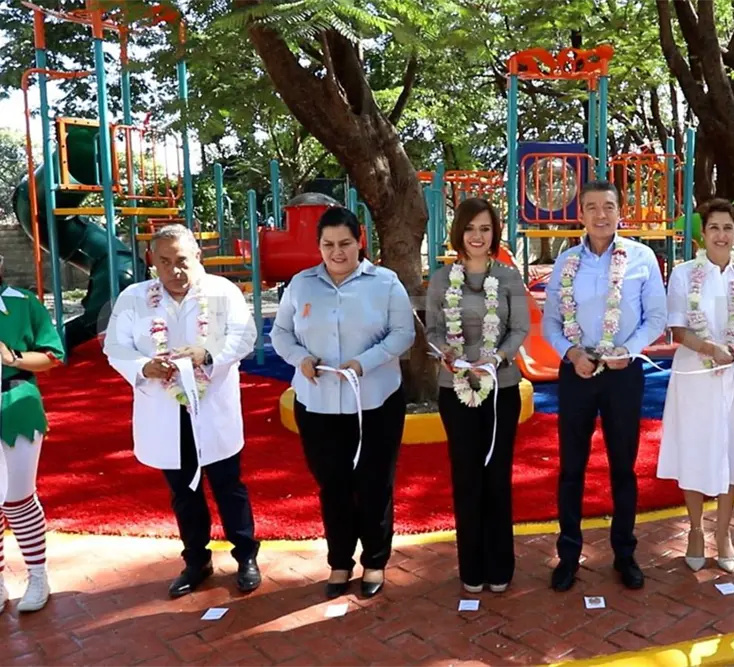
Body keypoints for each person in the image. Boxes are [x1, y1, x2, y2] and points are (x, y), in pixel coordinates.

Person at [104, 224, 261, 598]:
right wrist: (144, 366)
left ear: (198, 258)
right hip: (164, 411)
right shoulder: (133, 298)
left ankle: (246, 555)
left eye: (182, 261)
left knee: (228, 485)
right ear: (151, 263)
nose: (175, 270)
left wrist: (207, 354)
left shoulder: (222, 292)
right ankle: (196, 560)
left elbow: (245, 336)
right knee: (182, 492)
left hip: (212, 407)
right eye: (164, 262)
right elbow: (114, 346)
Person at [270, 206, 414, 599]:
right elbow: (281, 333)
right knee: (332, 484)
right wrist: (301, 359)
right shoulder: (300, 285)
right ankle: (339, 561)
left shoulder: (385, 283)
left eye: (345, 244)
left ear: (360, 241)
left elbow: (403, 334)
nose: (337, 252)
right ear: (318, 245)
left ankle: (374, 561)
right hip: (317, 404)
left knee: (373, 483)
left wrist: (363, 363)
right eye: (328, 244)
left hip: (375, 402)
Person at [542, 180, 668, 591]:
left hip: (622, 374)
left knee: (623, 468)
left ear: (619, 212)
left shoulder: (642, 258)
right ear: (580, 215)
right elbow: (550, 322)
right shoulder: (566, 262)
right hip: (577, 372)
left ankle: (625, 554)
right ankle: (568, 555)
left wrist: (628, 351)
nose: (600, 215)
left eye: (608, 206)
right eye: (592, 207)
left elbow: (655, 318)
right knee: (572, 469)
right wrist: (572, 353)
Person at [657, 199, 734, 573]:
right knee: (695, 449)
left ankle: (724, 533)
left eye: (728, 228)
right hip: (695, 375)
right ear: (702, 235)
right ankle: (694, 529)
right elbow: (677, 328)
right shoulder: (683, 274)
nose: (721, 235)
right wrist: (709, 348)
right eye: (714, 228)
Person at [425, 198, 529, 594]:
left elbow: (519, 329)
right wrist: (447, 355)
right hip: (456, 389)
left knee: (497, 476)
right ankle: (471, 566)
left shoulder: (509, 278)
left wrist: (496, 358)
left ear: (494, 233)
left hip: (500, 388)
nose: (477, 236)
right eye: (471, 228)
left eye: (485, 229)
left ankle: (500, 565)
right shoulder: (439, 280)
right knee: (466, 476)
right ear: (459, 233)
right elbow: (432, 331)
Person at [0, 254, 65, 613]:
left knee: (18, 496)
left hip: (16, 405)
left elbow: (51, 356)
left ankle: (37, 574)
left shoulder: (23, 303)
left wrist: (11, 357)